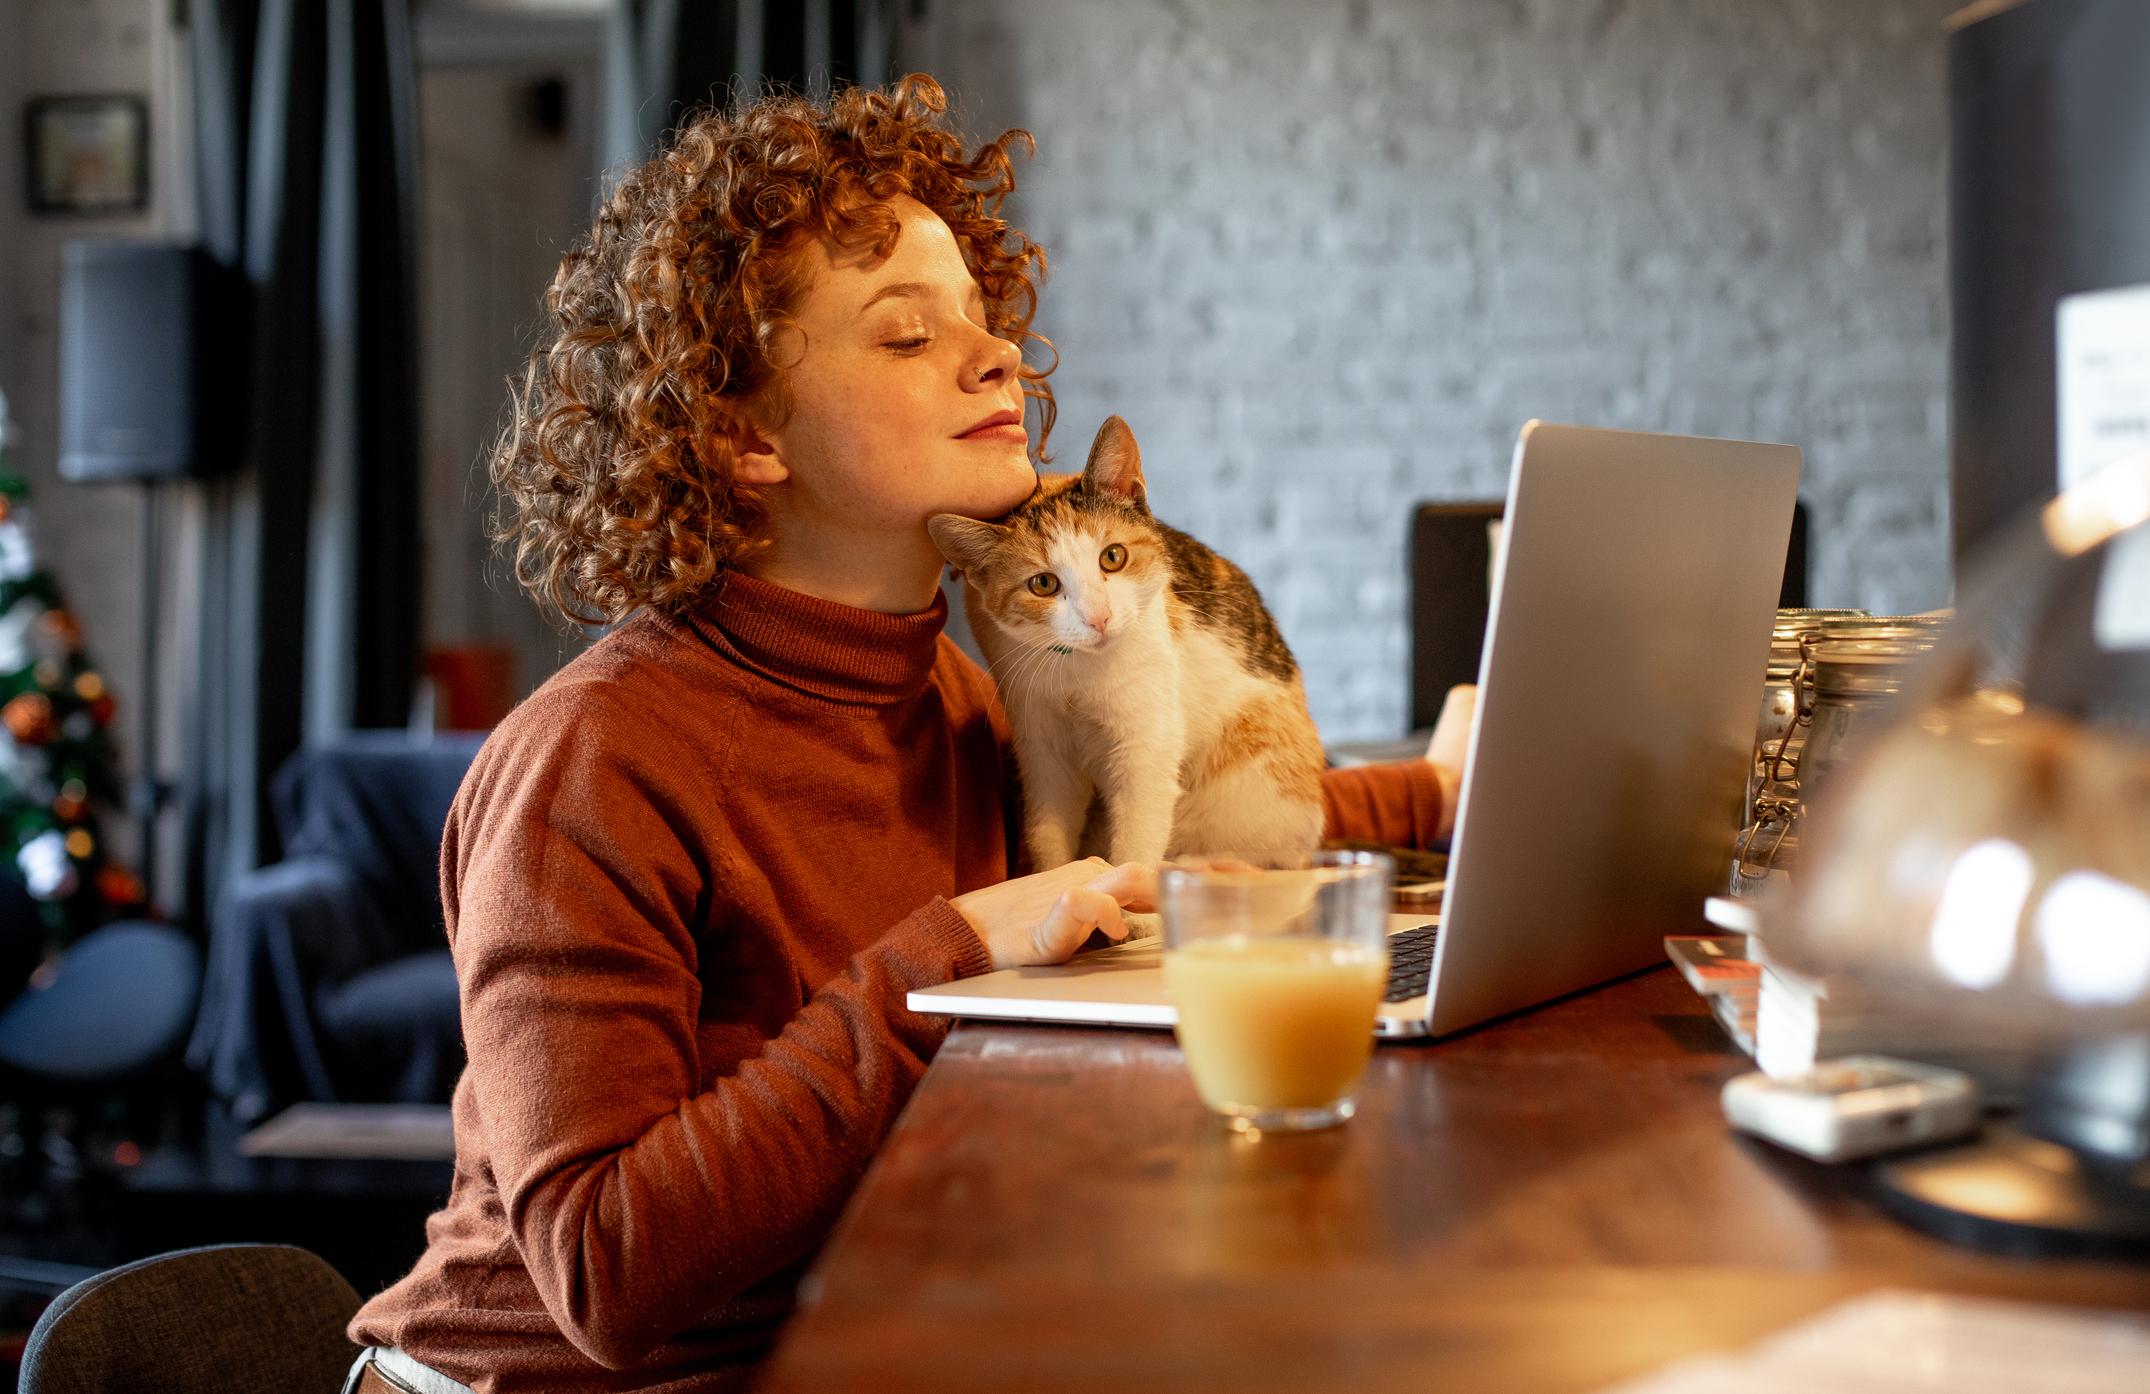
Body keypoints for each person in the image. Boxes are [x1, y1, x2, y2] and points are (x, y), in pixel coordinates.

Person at [343, 76, 1462, 1394]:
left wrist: (1446, 794)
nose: (994, 359)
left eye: (984, 324)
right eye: (904, 335)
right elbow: (604, 1273)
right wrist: (959, 950)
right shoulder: (591, 762)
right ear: (744, 431)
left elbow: (1188, 820)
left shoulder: (951, 688)